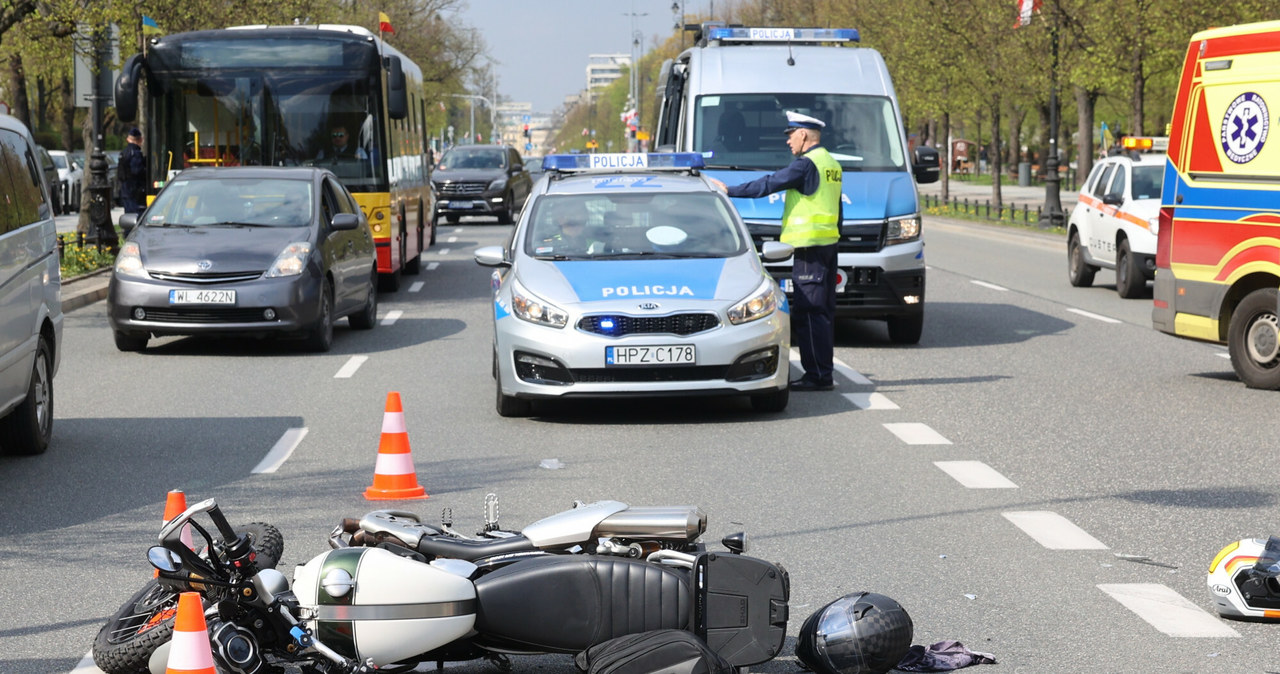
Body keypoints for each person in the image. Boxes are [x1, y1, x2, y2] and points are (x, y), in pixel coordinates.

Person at [709, 110, 843, 391]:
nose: (788, 141)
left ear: (804, 134)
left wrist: (730, 190)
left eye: (790, 134)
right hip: (828, 247)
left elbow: (770, 183)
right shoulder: (831, 163)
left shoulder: (806, 164)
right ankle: (822, 371)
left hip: (810, 249)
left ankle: (818, 375)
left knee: (810, 312)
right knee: (823, 312)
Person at [118, 127, 147, 215]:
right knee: (136, 216)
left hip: (125, 190)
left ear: (128, 139)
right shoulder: (135, 153)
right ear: (140, 140)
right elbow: (137, 171)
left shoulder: (124, 152)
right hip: (134, 190)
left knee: (128, 217)